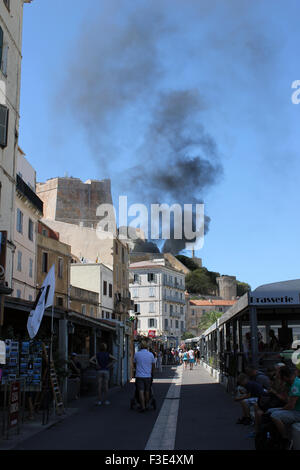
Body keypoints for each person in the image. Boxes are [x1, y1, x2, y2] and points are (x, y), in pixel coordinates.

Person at [268, 365, 300, 450]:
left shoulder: (296, 386)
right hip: (294, 409)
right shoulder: (290, 383)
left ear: (285, 377)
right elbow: (285, 399)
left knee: (275, 415)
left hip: (298, 412)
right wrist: (284, 387)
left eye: (280, 377)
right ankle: (273, 436)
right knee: (269, 411)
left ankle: (286, 438)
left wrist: (280, 409)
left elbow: (290, 405)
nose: (279, 379)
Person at [133, 340, 155, 412]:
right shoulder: (151, 354)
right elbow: (153, 365)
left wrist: (137, 369)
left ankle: (143, 407)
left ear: (140, 347)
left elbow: (134, 364)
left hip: (139, 375)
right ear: (147, 347)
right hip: (148, 375)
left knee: (141, 391)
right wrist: (151, 372)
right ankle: (146, 404)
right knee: (147, 391)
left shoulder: (137, 354)